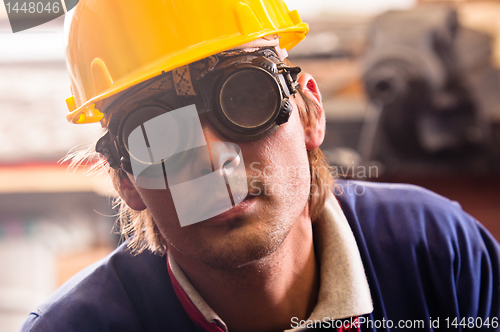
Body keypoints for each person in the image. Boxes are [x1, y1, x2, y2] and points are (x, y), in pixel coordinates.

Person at [21, 0, 500, 331]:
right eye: (158, 134)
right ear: (125, 180)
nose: (212, 160)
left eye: (244, 98)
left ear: (310, 113)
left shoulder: (439, 254)